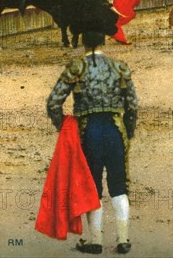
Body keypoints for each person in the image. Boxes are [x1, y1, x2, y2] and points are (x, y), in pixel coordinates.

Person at [46, 30, 138, 255]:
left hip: (89, 131)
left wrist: (65, 128)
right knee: (119, 184)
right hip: (116, 129)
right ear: (104, 39)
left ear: (84, 42)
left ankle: (95, 239)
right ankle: (123, 238)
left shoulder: (77, 67)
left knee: (92, 184)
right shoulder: (119, 66)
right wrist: (128, 131)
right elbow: (132, 105)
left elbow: (53, 103)